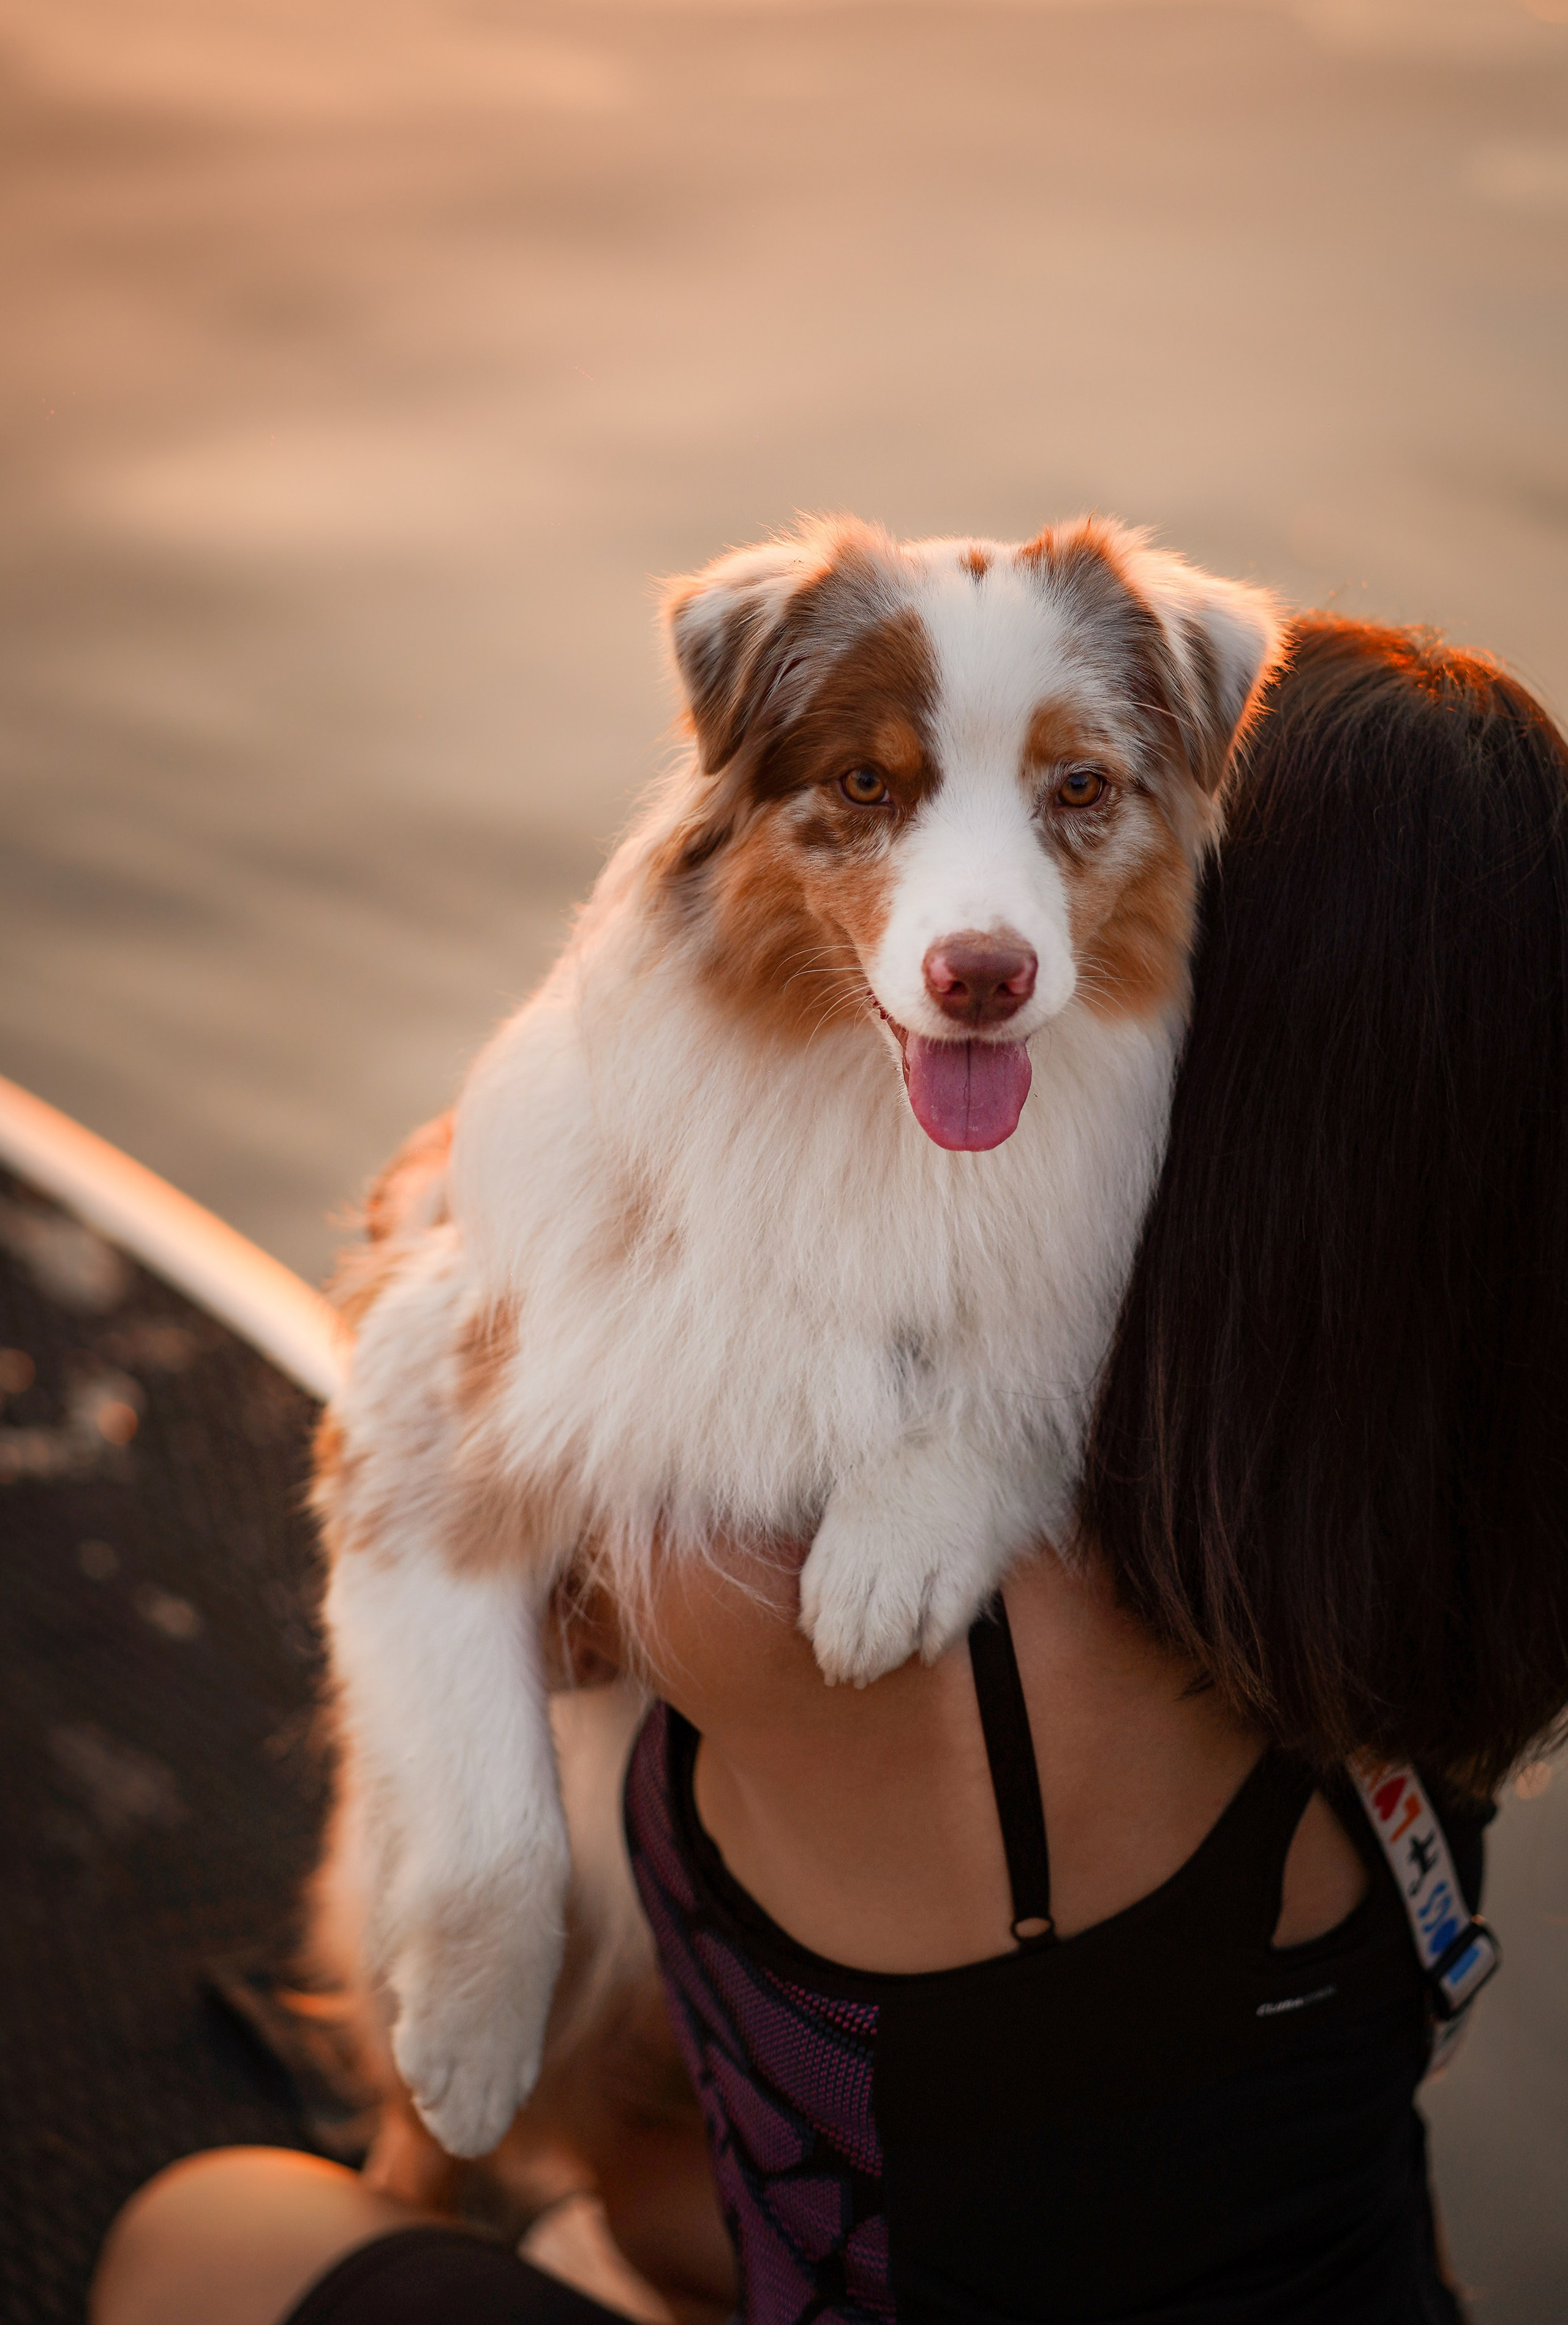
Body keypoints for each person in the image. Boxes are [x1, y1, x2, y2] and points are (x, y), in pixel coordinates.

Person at [92, 617, 1568, 2325]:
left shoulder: (824, 1587)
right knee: (688, 2197)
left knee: (205, 2234)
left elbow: (466, 1494)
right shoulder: (1446, 1525)